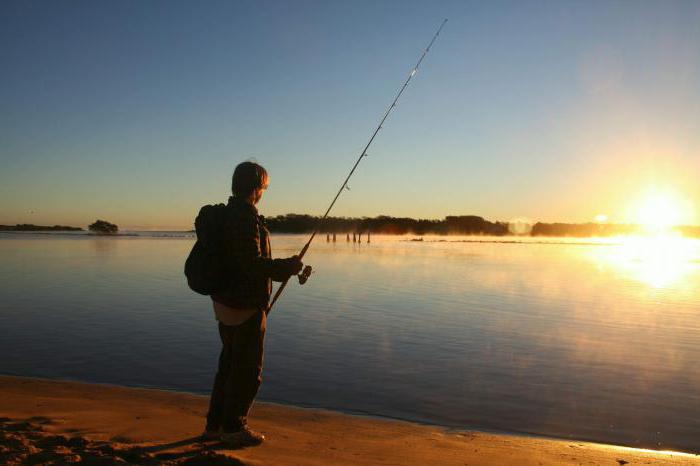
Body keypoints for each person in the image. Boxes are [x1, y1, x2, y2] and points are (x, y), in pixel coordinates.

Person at [204, 161, 303, 446]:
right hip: (244, 304)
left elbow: (242, 261)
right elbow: (251, 264)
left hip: (223, 302)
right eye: (264, 187)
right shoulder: (244, 218)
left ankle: (214, 425)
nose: (264, 192)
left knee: (228, 366)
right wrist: (288, 267)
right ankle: (234, 428)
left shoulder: (225, 216)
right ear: (256, 187)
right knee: (247, 372)